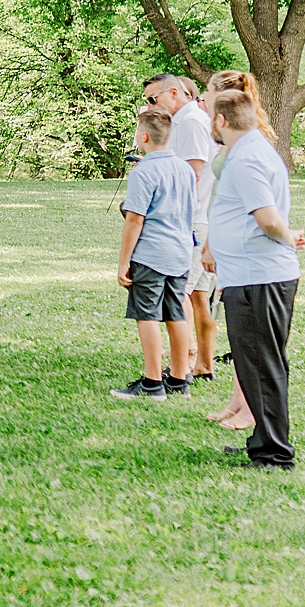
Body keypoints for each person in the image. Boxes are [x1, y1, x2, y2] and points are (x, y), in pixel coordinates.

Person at [205, 88, 303, 470]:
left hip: (258, 277)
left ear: (220, 121)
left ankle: (275, 454)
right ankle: (263, 439)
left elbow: (266, 217)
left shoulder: (246, 158)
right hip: (250, 274)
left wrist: (288, 235)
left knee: (261, 365)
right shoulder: (251, 151)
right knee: (258, 364)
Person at [201, 69, 280, 430]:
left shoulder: (245, 145)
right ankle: (238, 401)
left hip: (253, 258)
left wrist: (213, 242)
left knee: (252, 343)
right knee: (241, 337)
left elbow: (260, 210)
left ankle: (250, 410)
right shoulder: (231, 139)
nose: (202, 97)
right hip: (231, 245)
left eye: (206, 92)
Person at [109, 106, 198, 400]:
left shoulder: (144, 171)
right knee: (176, 313)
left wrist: (123, 262)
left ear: (144, 137)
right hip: (181, 251)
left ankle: (151, 382)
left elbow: (135, 219)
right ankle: (178, 377)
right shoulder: (185, 169)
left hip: (152, 252)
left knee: (146, 314)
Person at [146, 74, 216, 380]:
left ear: (174, 92)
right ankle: (204, 364)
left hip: (192, 219)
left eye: (153, 99)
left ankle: (183, 366)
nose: (150, 106)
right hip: (199, 218)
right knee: (198, 295)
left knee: (180, 294)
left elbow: (192, 173)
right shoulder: (187, 120)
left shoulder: (189, 122)